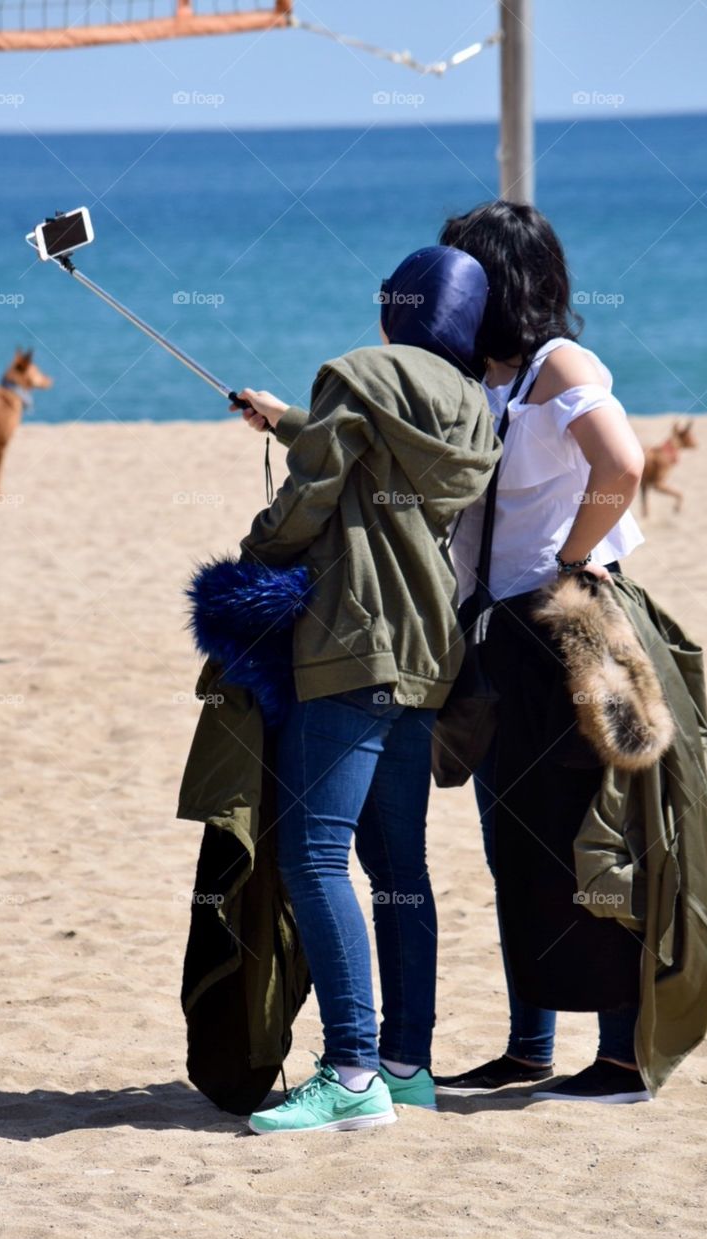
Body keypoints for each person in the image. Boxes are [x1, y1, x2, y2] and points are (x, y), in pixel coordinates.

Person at [228, 246, 499, 1133]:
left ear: (395, 310)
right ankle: (405, 1063)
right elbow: (377, 465)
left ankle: (349, 1074)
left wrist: (256, 557)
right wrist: (284, 421)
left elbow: (316, 494)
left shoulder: (357, 371)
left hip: (351, 639)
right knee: (397, 867)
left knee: (315, 854)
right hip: (427, 646)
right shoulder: (471, 407)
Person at [433, 201, 653, 1104]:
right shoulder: (482, 375)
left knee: (582, 839)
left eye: (458, 270)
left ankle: (622, 1057)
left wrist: (571, 561)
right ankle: (528, 1047)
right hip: (490, 632)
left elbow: (623, 465)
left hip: (558, 626)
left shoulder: (559, 364)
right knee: (508, 846)